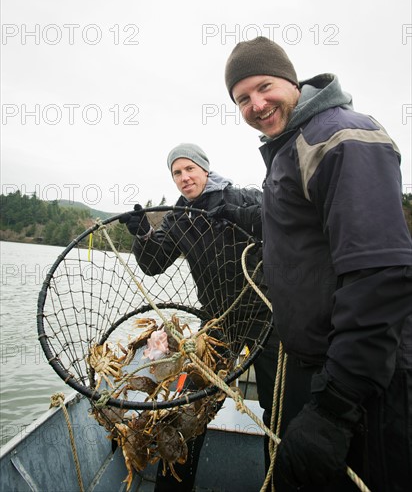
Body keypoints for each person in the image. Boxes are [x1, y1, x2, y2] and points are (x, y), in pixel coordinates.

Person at [224, 36, 412, 492]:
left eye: (264, 86)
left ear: (292, 82)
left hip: (366, 384)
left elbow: (380, 276)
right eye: (242, 99)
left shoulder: (338, 137)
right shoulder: (289, 148)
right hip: (316, 365)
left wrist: (335, 409)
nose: (257, 104)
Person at [120, 143, 279, 492]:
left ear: (205, 169)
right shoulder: (178, 218)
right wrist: (143, 233)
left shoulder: (240, 197)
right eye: (177, 172)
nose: (184, 177)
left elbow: (280, 223)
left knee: (278, 407)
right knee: (190, 409)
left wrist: (239, 215)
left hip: (266, 316)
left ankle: (276, 482)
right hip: (218, 323)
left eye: (190, 169)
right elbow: (153, 264)